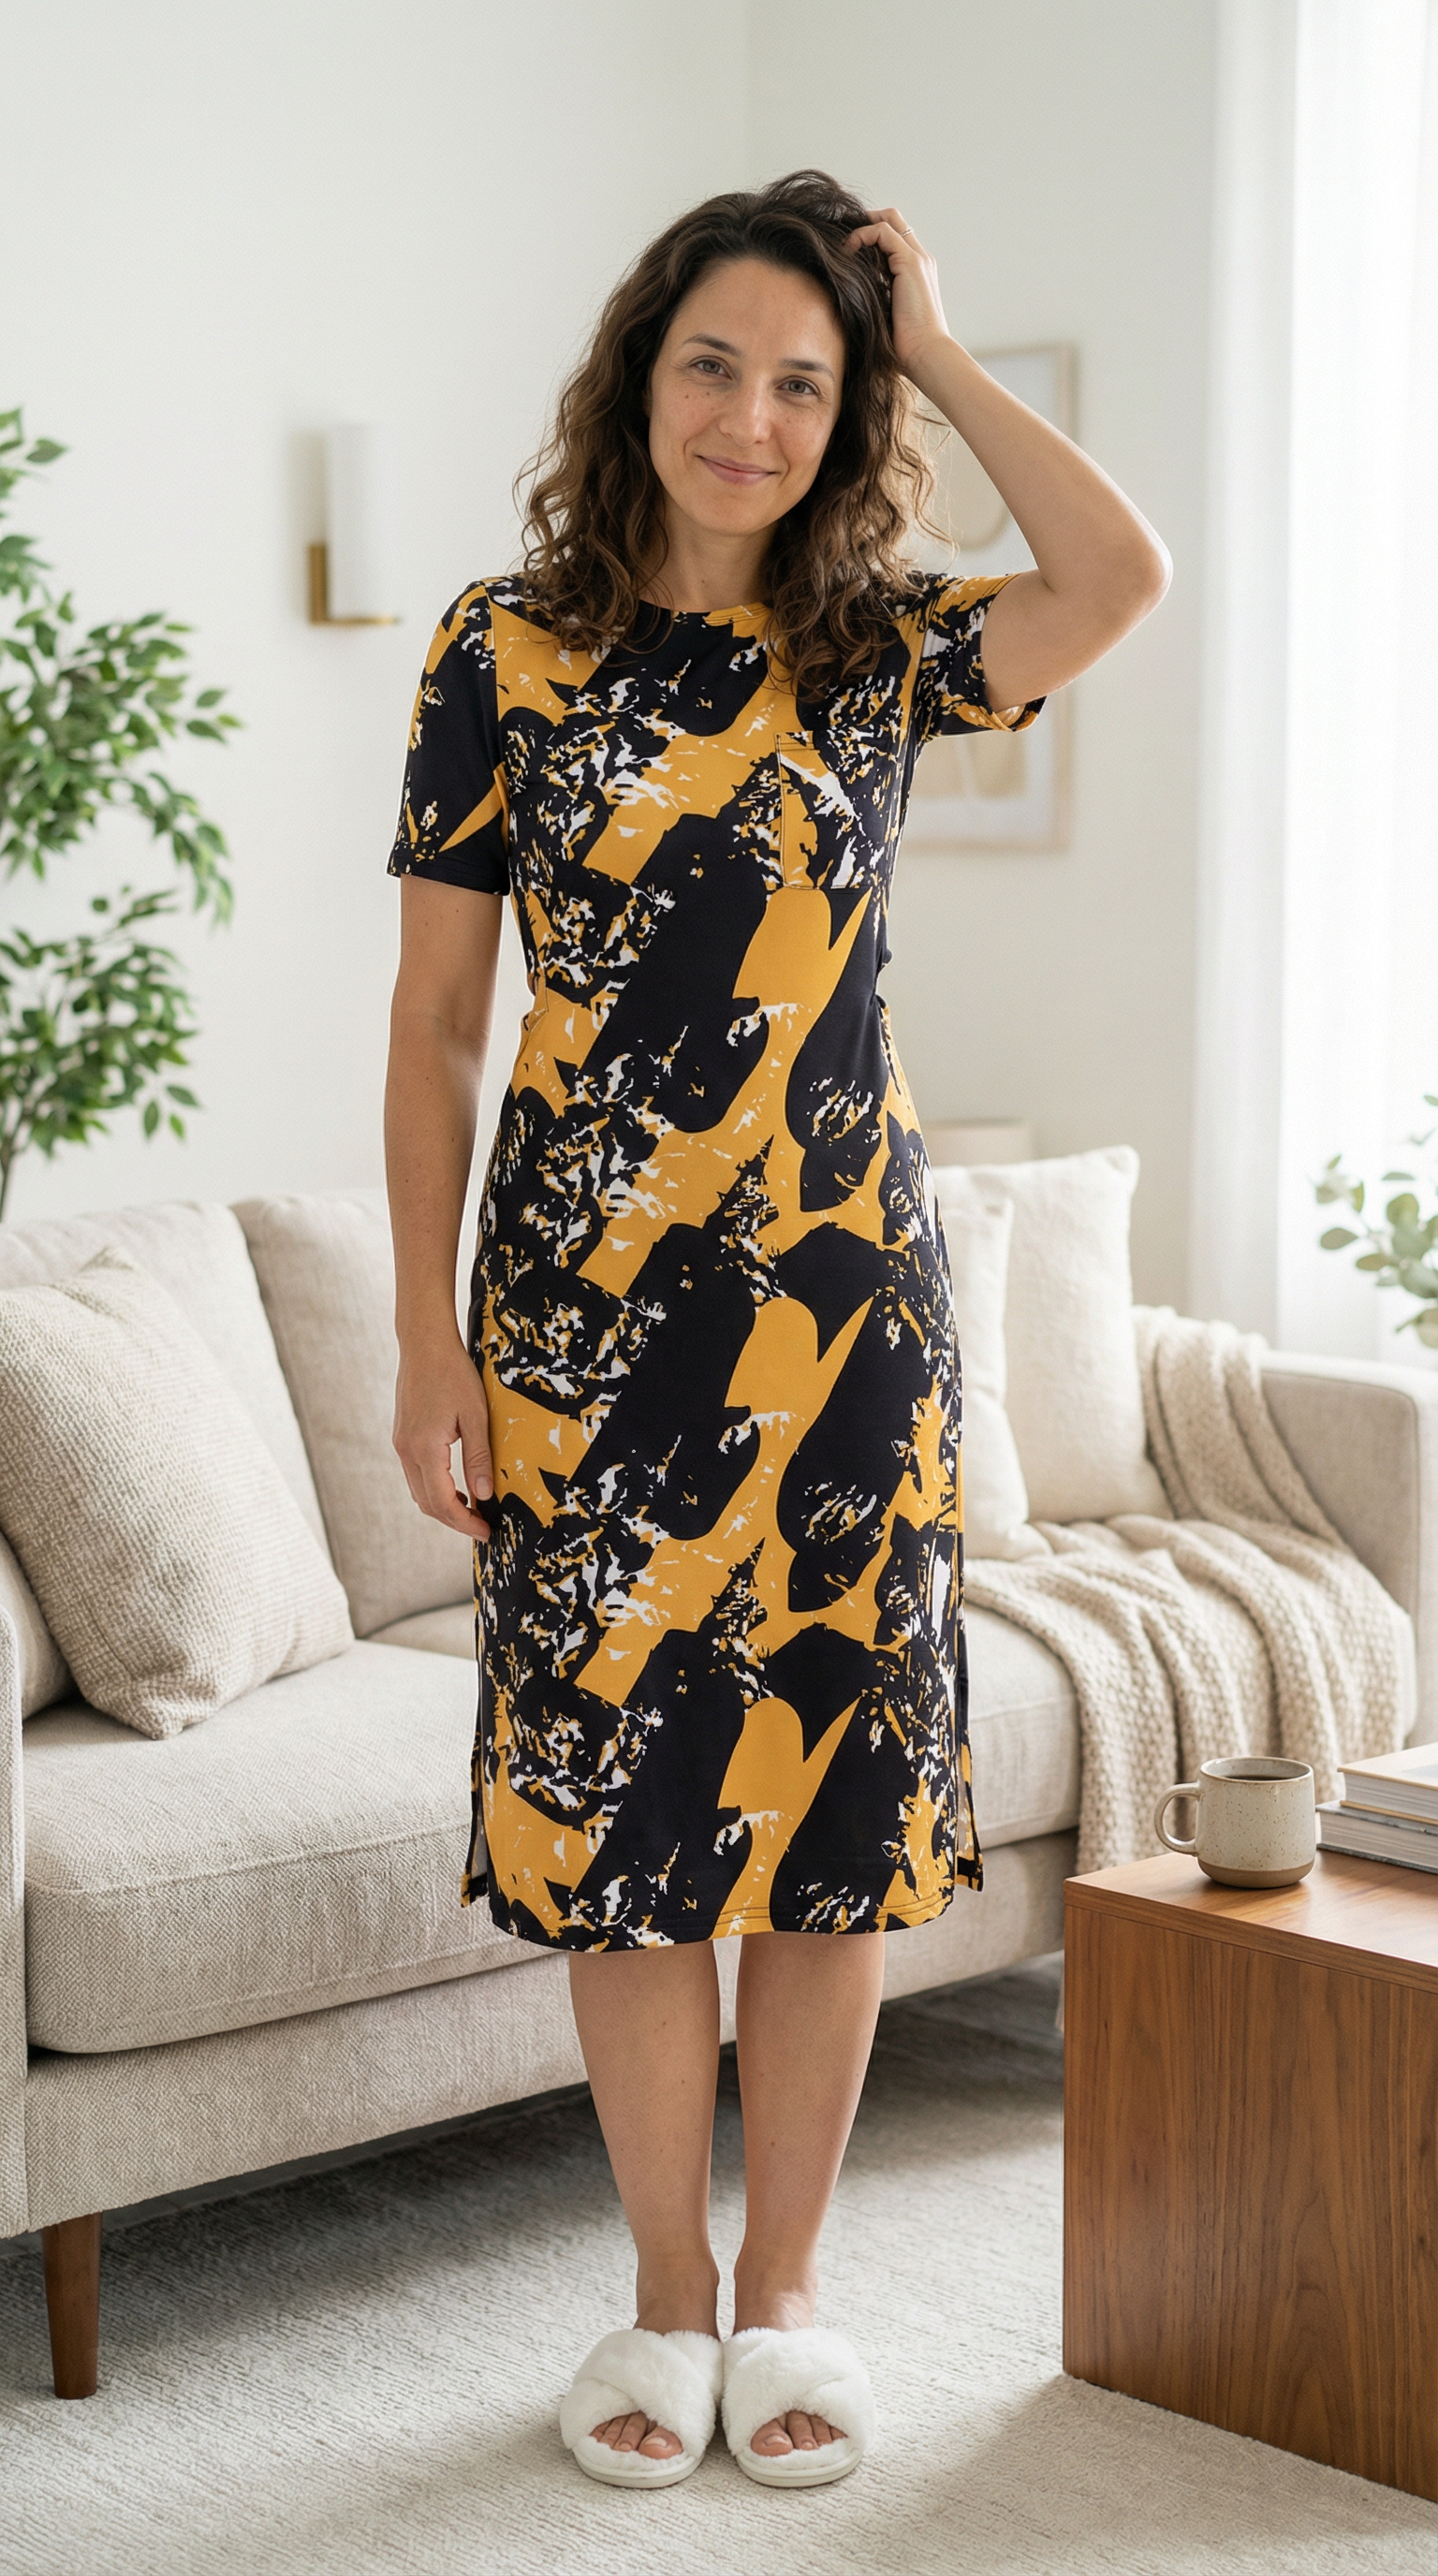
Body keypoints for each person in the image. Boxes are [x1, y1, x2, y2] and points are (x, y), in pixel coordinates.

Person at [384, 168, 1167, 2491]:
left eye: (805, 382)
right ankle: (660, 2301)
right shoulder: (498, 650)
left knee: (829, 1820)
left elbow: (1119, 581)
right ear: (642, 374)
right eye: (715, 362)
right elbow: (437, 1026)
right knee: (621, 1832)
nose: (751, 415)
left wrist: (929, 338)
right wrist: (434, 1345)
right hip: (577, 1338)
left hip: (848, 1335)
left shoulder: (882, 653)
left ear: (850, 419)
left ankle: (793, 2293)